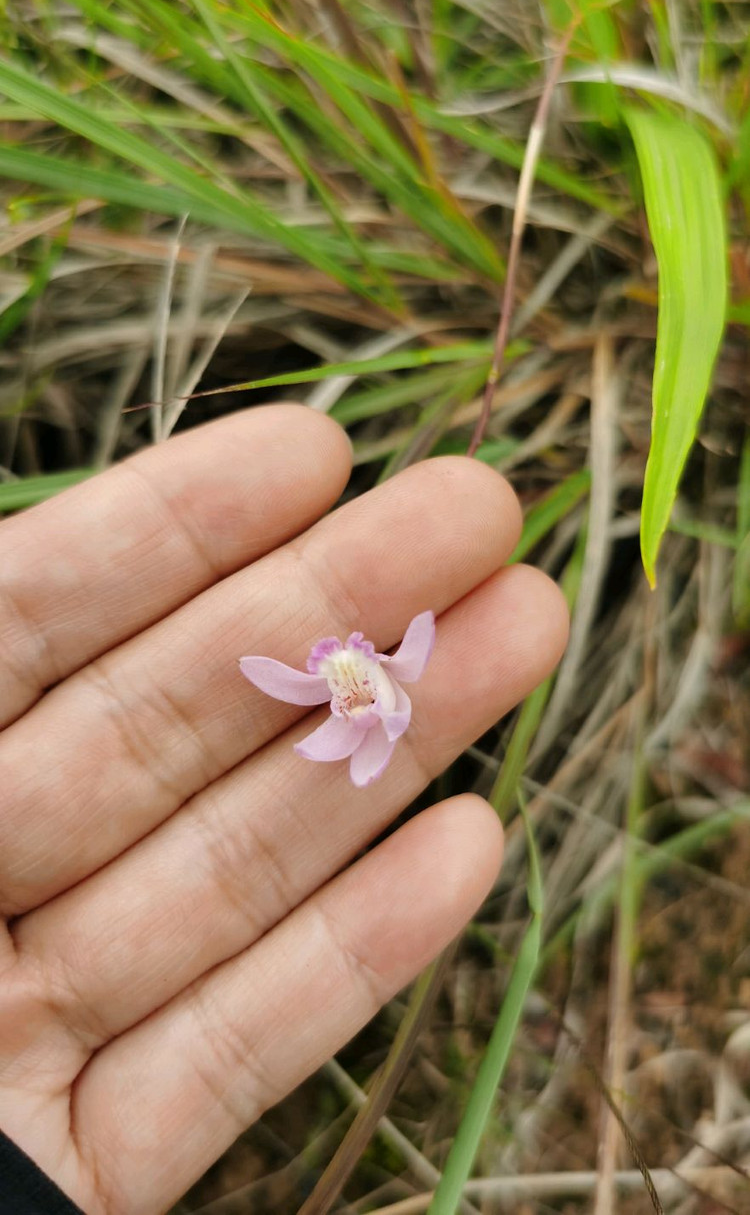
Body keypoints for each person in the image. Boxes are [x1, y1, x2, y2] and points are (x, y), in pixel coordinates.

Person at [0, 405, 568, 1214]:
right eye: (346, 679)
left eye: (355, 679)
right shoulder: (345, 692)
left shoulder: (377, 691)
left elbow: (379, 698)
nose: (348, 685)